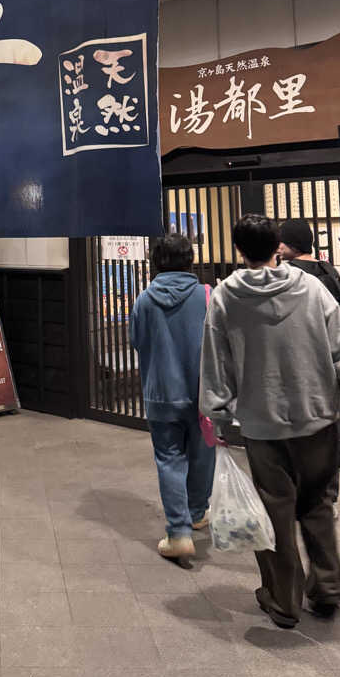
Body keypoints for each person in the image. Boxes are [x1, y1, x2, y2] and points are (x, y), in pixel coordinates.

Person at [200, 214, 340, 628]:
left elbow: (216, 362)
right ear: (277, 246)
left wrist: (218, 413)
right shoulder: (312, 289)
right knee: (317, 503)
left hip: (263, 424)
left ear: (239, 249)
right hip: (318, 417)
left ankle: (283, 601)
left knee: (275, 509)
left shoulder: (225, 297)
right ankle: (327, 587)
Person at [130, 233, 215, 561]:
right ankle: (197, 512)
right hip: (202, 394)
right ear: (190, 260)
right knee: (203, 454)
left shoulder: (144, 300)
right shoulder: (207, 295)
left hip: (162, 393)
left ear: (156, 262)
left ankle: (178, 532)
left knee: (169, 459)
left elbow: (137, 341)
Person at [278, 217, 340, 516]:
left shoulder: (290, 275)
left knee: (295, 436)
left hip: (298, 367)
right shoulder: (329, 271)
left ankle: (301, 495)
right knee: (328, 434)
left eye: (281, 241)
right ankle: (327, 497)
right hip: (329, 368)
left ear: (290, 244)